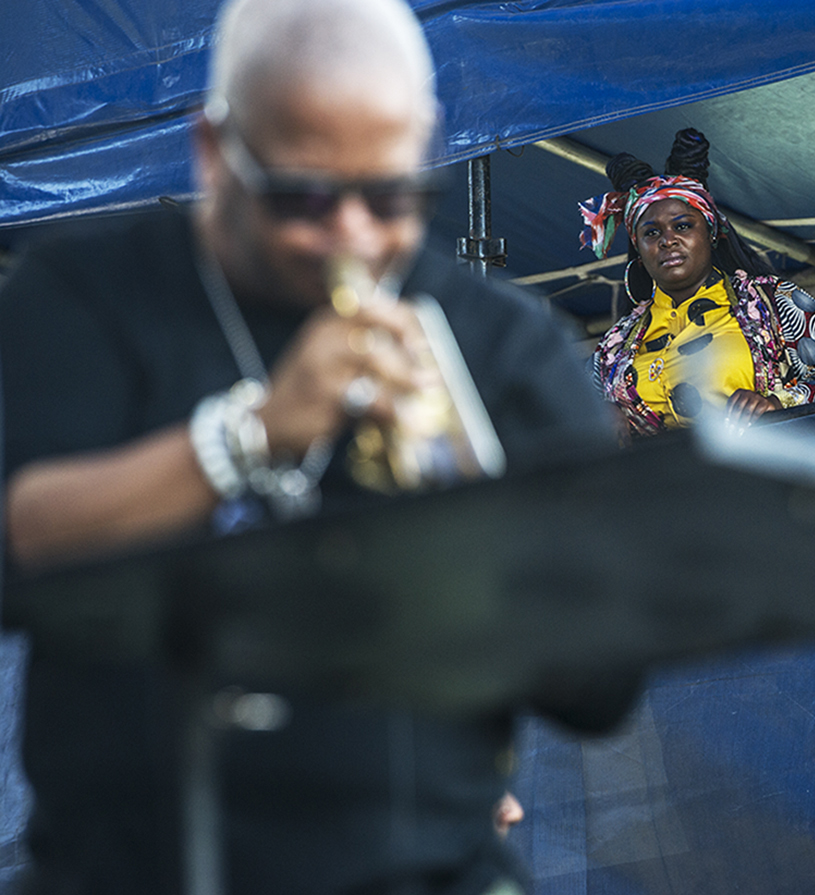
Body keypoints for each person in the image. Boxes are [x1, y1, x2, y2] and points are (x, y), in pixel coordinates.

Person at [0, 0, 620, 891]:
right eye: (305, 198)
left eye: (392, 196)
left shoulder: (506, 341)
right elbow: (20, 549)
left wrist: (470, 488)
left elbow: (600, 687)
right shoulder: (83, 293)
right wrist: (248, 435)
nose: (355, 237)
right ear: (216, 153)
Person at [580, 130, 815, 438]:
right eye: (651, 233)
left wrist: (778, 404)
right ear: (639, 250)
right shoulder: (617, 344)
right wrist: (602, 417)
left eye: (682, 226)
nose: (668, 240)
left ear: (710, 231)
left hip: (761, 478)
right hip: (664, 483)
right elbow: (556, 416)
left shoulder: (770, 301)